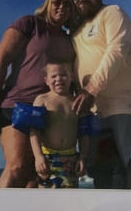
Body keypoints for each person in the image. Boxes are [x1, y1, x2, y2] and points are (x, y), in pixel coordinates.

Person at [0, 0, 75, 188]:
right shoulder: (29, 24)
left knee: (34, 177)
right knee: (18, 166)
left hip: (49, 112)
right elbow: (1, 60)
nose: (61, 7)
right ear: (48, 3)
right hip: (16, 105)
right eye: (57, 2)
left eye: (67, 4)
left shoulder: (69, 40)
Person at [68, 0, 131, 189]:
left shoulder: (111, 13)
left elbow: (116, 51)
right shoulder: (75, 32)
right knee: (99, 170)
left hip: (120, 106)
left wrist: (91, 89)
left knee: (117, 164)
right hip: (93, 111)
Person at [28, 59, 94, 188]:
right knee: (46, 197)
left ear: (72, 77)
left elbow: (84, 134)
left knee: (69, 198)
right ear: (46, 80)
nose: (59, 79)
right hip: (47, 158)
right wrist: (38, 156)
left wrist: (82, 157)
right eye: (54, 76)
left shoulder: (77, 102)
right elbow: (34, 130)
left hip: (70, 158)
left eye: (63, 75)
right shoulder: (42, 100)